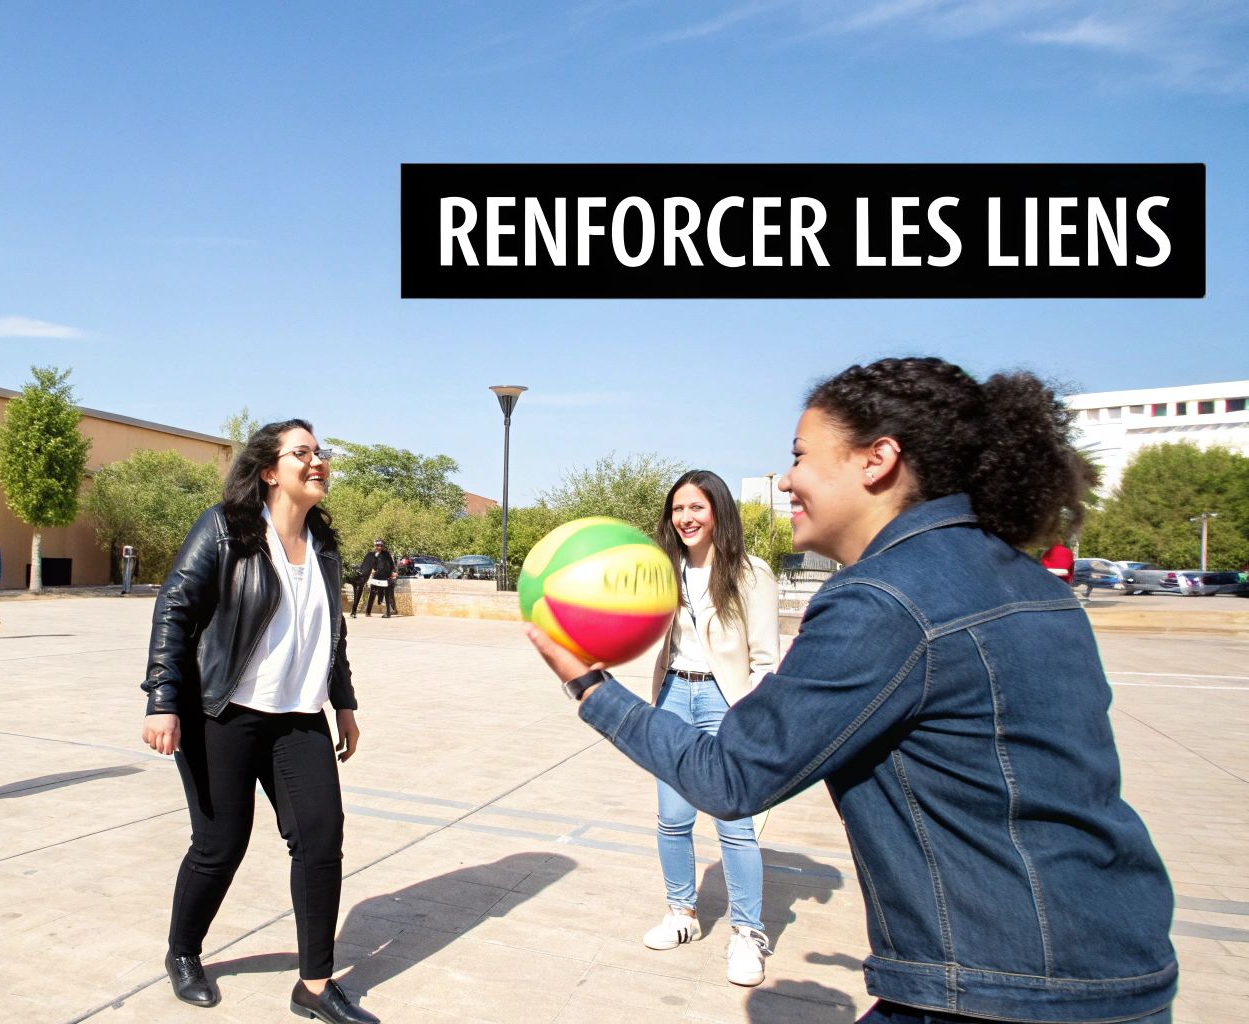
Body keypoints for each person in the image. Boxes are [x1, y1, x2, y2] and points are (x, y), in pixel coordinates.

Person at [532, 357, 1176, 1024]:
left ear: (878, 460)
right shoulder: (1034, 585)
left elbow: (731, 777)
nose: (787, 480)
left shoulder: (881, 599)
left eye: (802, 456)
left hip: (996, 988)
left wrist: (588, 685)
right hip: (1116, 967)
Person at [141, 420, 377, 1024]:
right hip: (223, 712)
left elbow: (333, 632)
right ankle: (184, 952)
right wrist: (163, 699)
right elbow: (175, 608)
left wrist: (343, 700)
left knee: (321, 841)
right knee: (220, 846)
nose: (317, 460)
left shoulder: (323, 545)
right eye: (302, 452)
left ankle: (316, 985)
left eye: (320, 451)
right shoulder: (226, 529)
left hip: (299, 718)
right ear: (270, 470)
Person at [637, 470, 782, 986]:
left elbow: (766, 657)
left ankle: (747, 932)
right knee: (672, 816)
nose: (685, 518)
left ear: (718, 510)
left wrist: (753, 717)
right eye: (678, 509)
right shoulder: (664, 570)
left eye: (696, 508)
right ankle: (682, 914)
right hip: (674, 692)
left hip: (726, 699)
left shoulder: (750, 572)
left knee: (733, 823)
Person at [351, 538, 398, 618]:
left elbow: (391, 565)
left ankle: (388, 613)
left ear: (383, 546)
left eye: (380, 545)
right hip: (376, 577)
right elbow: (366, 567)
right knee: (372, 593)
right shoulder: (370, 555)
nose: (379, 547)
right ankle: (368, 612)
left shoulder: (386, 554)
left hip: (385, 577)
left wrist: (393, 572)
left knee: (386, 594)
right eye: (377, 545)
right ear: (375, 545)